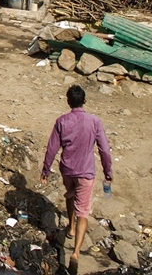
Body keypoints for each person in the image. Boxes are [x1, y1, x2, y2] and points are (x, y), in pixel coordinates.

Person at [41, 85, 113, 270]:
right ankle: (76, 252)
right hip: (85, 171)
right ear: (85, 101)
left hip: (67, 170)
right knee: (84, 212)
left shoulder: (62, 121)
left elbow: (52, 148)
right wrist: (108, 171)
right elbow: (104, 148)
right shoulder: (94, 121)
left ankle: (71, 228)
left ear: (68, 101)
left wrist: (46, 170)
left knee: (70, 194)